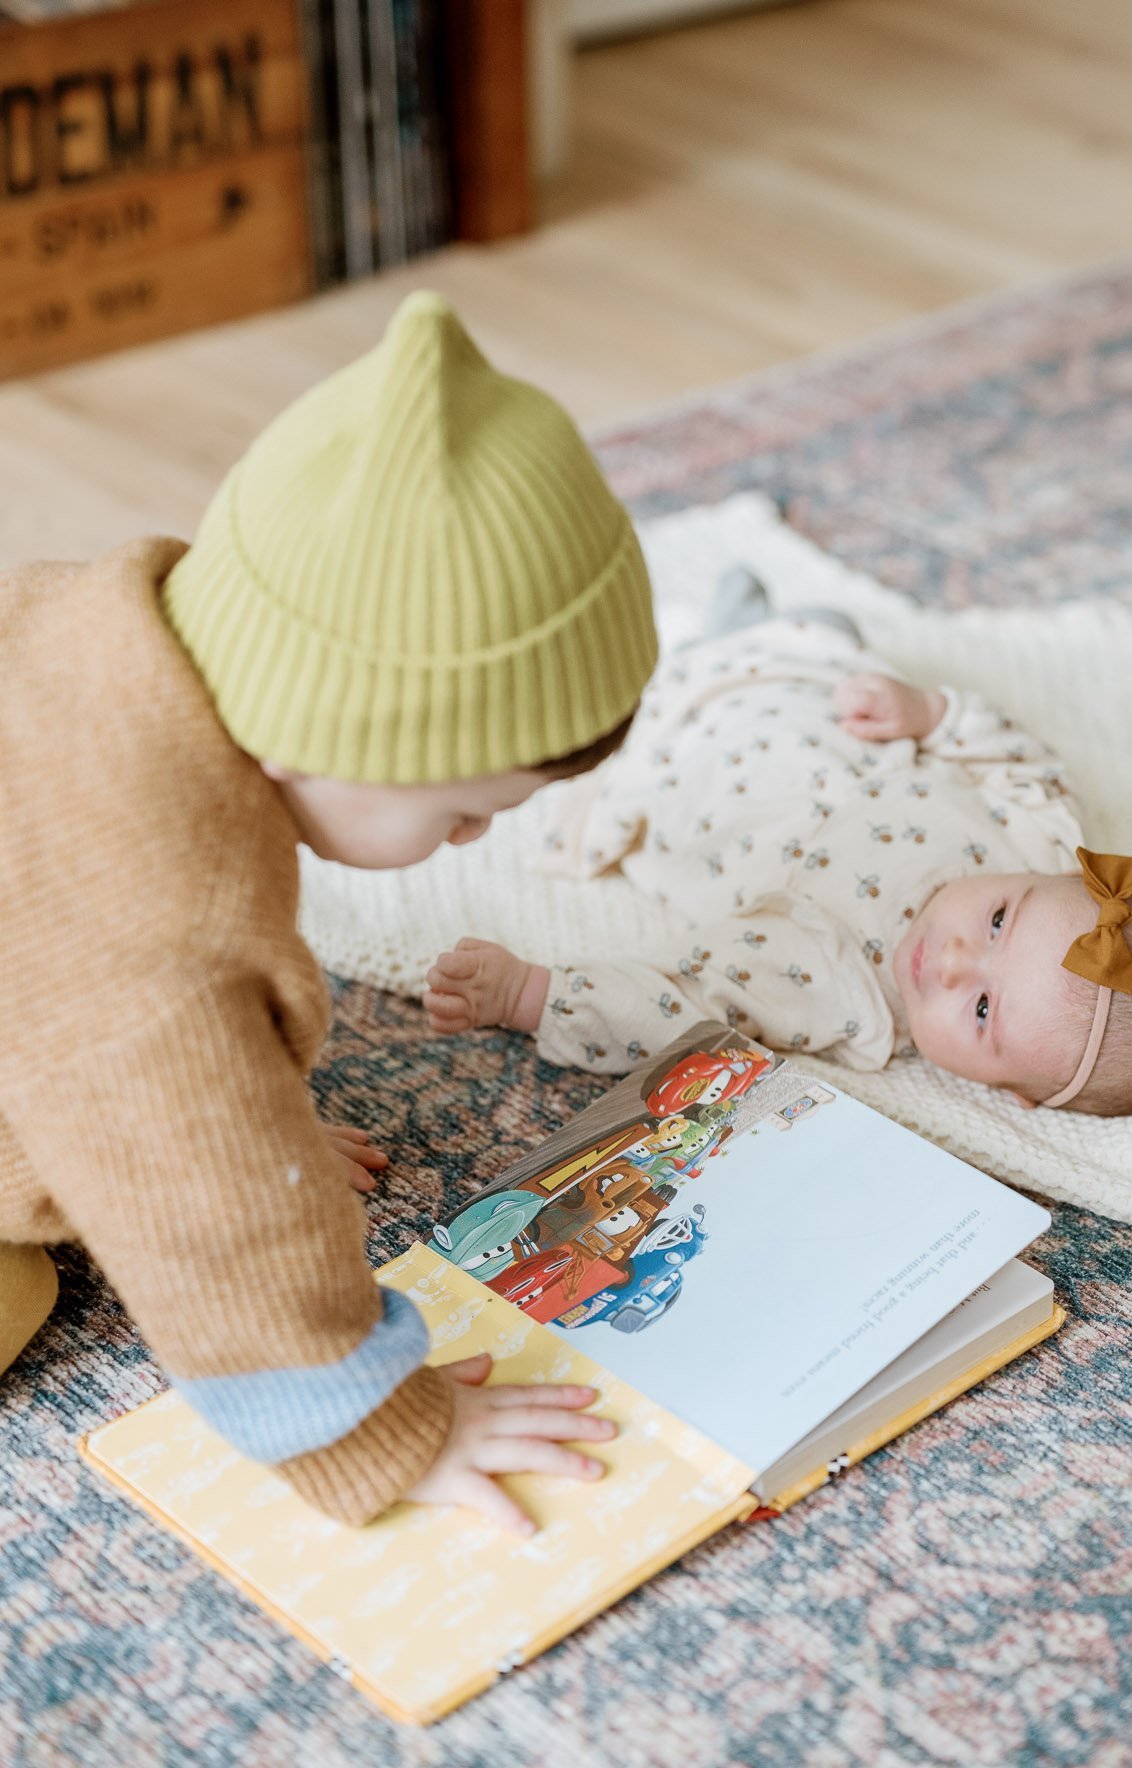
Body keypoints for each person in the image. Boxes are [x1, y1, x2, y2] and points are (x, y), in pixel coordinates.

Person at [0, 293, 659, 1532]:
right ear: (330, 736)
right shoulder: (155, 934)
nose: (470, 842)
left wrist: (262, 1092)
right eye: (464, 811)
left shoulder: (81, 623)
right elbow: (210, 1221)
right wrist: (380, 1429)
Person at [425, 577, 1132, 1117]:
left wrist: (531, 993)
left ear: (1006, 1089)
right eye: (996, 921)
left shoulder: (835, 990)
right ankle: (759, 633)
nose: (951, 962)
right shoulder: (1035, 836)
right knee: (828, 652)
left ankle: (710, 647)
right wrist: (929, 714)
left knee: (576, 715)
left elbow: (678, 1008)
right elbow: (1013, 757)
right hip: (804, 704)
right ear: (1054, 875)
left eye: (981, 1009)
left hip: (680, 767)